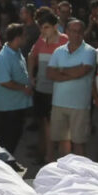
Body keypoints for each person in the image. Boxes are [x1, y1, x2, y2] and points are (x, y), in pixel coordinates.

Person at [46, 18, 97, 157]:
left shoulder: (90, 51)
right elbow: (50, 73)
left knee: (79, 143)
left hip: (79, 105)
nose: (76, 34)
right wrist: (73, 72)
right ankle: (64, 167)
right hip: (59, 103)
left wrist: (61, 70)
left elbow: (83, 71)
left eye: (79, 31)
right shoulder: (58, 51)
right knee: (62, 141)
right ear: (67, 32)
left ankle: (79, 169)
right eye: (73, 31)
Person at [28, 12, 67, 165]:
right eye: (41, 28)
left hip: (57, 90)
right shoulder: (41, 39)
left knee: (55, 126)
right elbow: (31, 56)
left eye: (46, 27)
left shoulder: (65, 41)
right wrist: (31, 76)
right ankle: (45, 155)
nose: (43, 31)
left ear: (55, 26)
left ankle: (51, 158)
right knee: (44, 125)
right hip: (41, 89)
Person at [0, 22, 33, 154]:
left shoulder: (17, 52)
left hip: (17, 106)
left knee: (14, 138)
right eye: (24, 36)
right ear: (18, 38)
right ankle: (4, 163)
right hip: (7, 108)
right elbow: (5, 81)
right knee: (5, 141)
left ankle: (9, 160)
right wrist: (24, 88)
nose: (26, 38)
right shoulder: (4, 57)